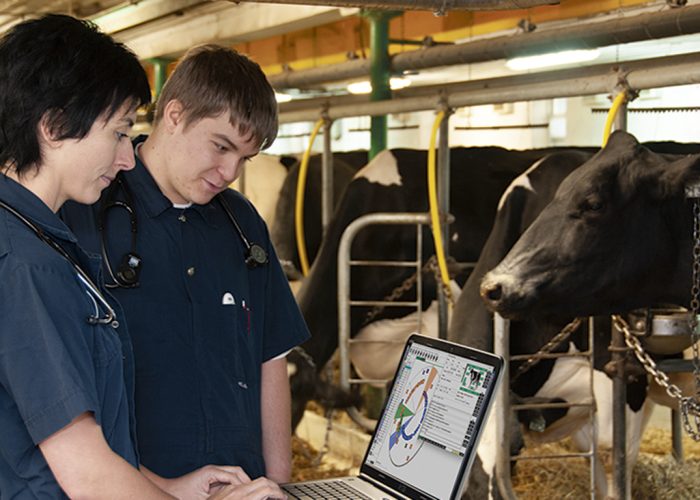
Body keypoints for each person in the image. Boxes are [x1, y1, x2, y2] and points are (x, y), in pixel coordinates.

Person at [0, 14, 285, 499]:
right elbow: (85, 474)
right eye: (118, 132)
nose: (127, 156)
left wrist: (168, 489)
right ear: (53, 126)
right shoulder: (28, 261)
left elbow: (73, 443)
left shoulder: (42, 240)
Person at [61, 44, 310, 483]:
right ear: (174, 115)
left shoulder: (242, 222)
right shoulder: (85, 211)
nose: (230, 171)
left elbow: (272, 359)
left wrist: (279, 483)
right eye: (220, 146)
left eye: (244, 158)